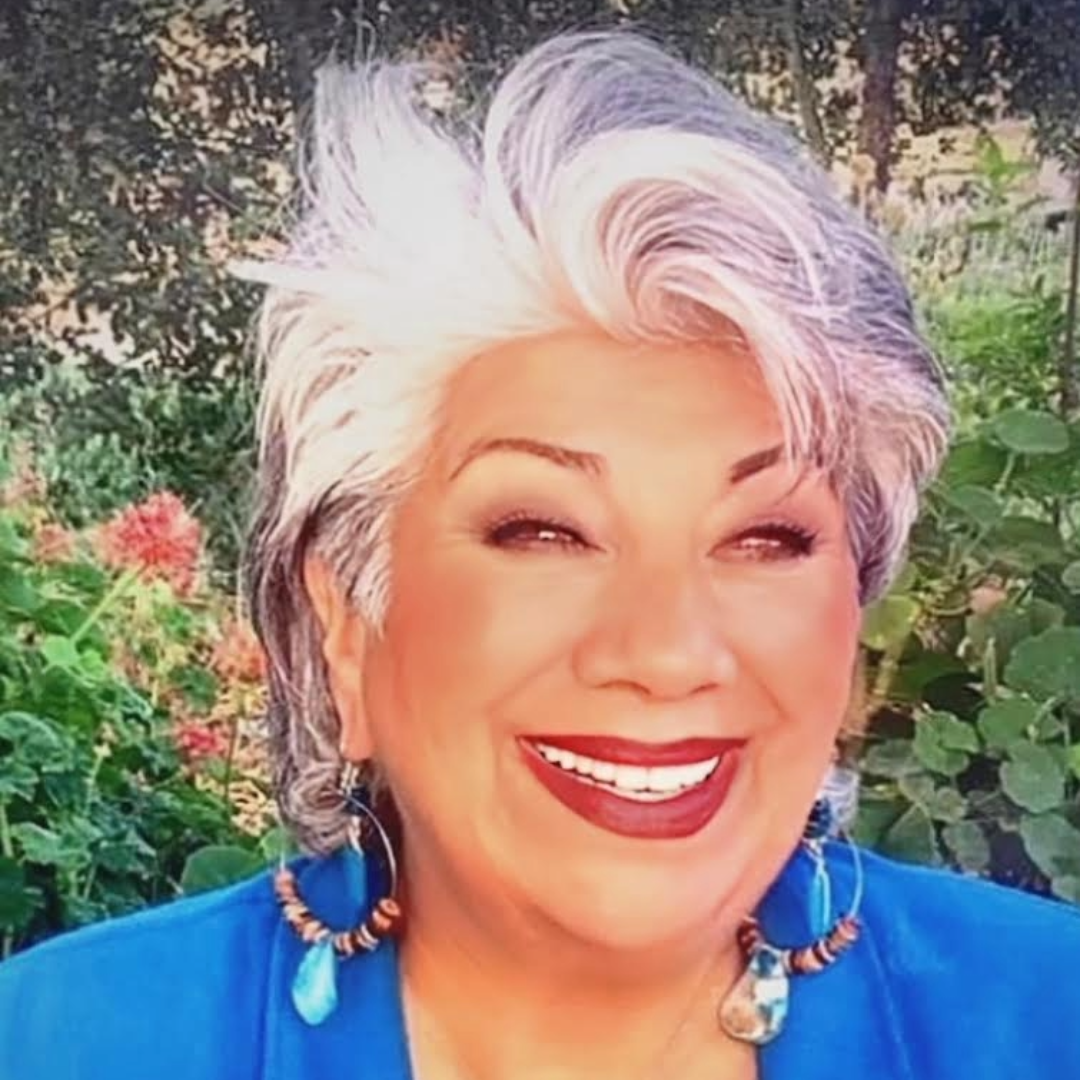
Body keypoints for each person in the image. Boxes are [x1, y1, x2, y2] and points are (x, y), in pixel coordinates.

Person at [1, 29, 1078, 1080]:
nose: (666, 652)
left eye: (765, 537)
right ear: (347, 633)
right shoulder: (63, 1043)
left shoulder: (1046, 1021)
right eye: (544, 532)